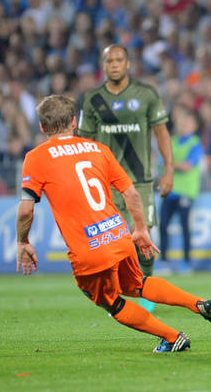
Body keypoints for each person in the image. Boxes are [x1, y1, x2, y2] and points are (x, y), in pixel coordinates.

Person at [16, 95, 211, 353]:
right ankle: (198, 303)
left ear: (42, 126)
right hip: (118, 236)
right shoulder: (98, 150)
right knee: (138, 284)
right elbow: (131, 194)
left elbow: (26, 210)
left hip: (89, 250)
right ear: (74, 122)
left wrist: (22, 242)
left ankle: (172, 337)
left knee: (111, 302)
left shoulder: (36, 158)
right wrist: (140, 229)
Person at [79, 44, 173, 313]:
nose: (114, 65)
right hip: (105, 183)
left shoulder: (146, 94)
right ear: (104, 65)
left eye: (119, 60)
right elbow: (85, 142)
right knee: (110, 244)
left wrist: (169, 169)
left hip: (139, 180)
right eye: (109, 61)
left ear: (128, 63)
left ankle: (147, 289)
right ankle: (114, 293)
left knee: (144, 239)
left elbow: (161, 132)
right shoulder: (93, 99)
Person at [158, 107, 204, 274]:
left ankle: (186, 263)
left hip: (186, 192)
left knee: (185, 228)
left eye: (188, 122)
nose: (184, 125)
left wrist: (170, 165)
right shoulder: (171, 141)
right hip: (169, 191)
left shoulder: (195, 143)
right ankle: (164, 262)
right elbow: (160, 162)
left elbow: (187, 166)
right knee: (163, 226)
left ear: (194, 126)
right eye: (182, 121)